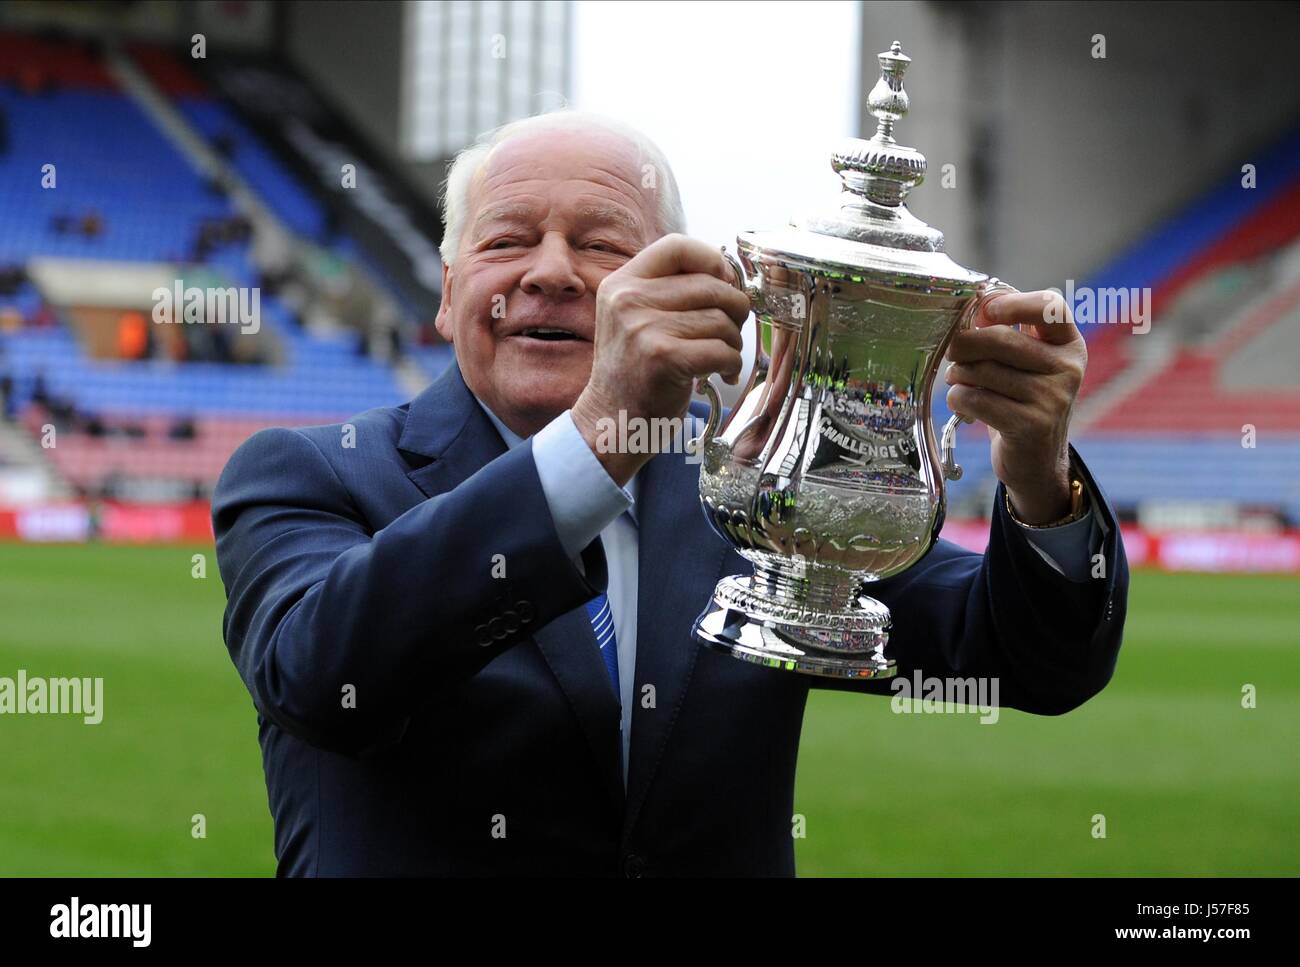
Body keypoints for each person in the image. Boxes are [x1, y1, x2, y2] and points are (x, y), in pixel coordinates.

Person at [212, 111, 1128, 877]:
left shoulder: (751, 489)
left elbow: (1026, 661)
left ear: (684, 289)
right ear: (450, 296)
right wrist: (598, 435)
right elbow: (323, 676)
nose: (553, 271)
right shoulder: (310, 472)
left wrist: (1039, 476)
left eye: (603, 244)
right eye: (507, 240)